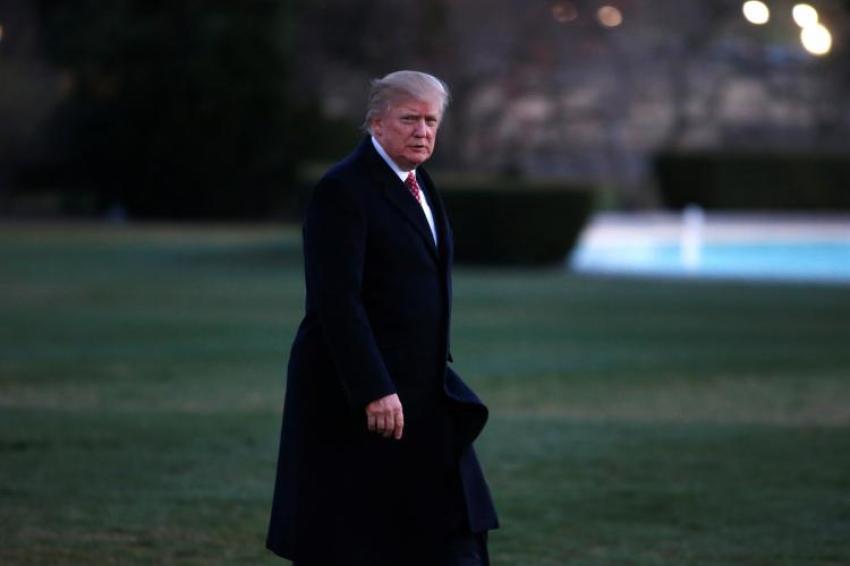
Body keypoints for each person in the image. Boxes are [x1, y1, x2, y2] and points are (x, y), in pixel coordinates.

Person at [266, 70, 498, 566]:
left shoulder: (419, 184)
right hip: (357, 395)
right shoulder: (343, 189)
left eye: (431, 121)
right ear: (376, 123)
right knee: (351, 538)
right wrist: (373, 387)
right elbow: (336, 300)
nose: (422, 131)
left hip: (422, 391)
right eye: (409, 119)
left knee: (453, 531)